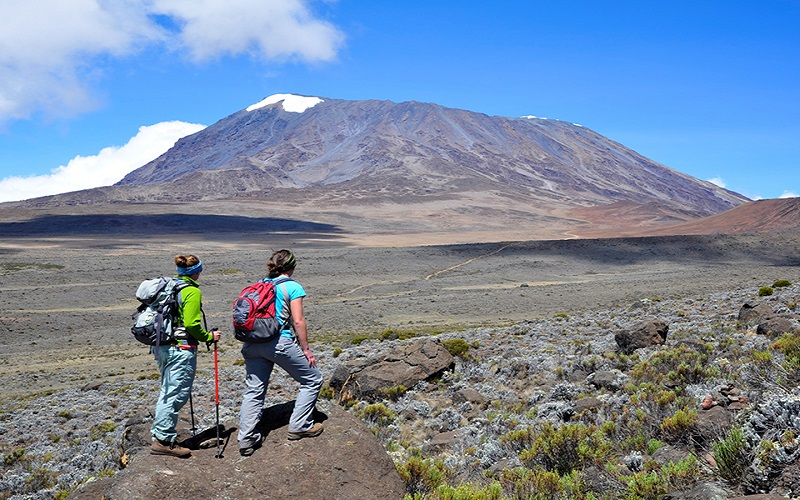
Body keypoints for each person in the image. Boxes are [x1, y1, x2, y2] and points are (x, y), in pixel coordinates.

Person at [238, 249, 324, 456]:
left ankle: (246, 439)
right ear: (292, 267)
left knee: (254, 390)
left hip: (252, 343)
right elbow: (298, 321)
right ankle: (300, 426)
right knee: (313, 380)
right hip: (278, 342)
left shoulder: (259, 285)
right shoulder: (292, 286)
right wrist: (306, 349)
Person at [150, 254, 221, 458]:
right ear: (196, 272)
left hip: (162, 347)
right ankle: (163, 441)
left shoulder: (169, 287)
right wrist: (209, 336)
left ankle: (159, 434)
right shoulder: (191, 291)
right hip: (181, 349)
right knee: (175, 394)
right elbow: (191, 324)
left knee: (167, 391)